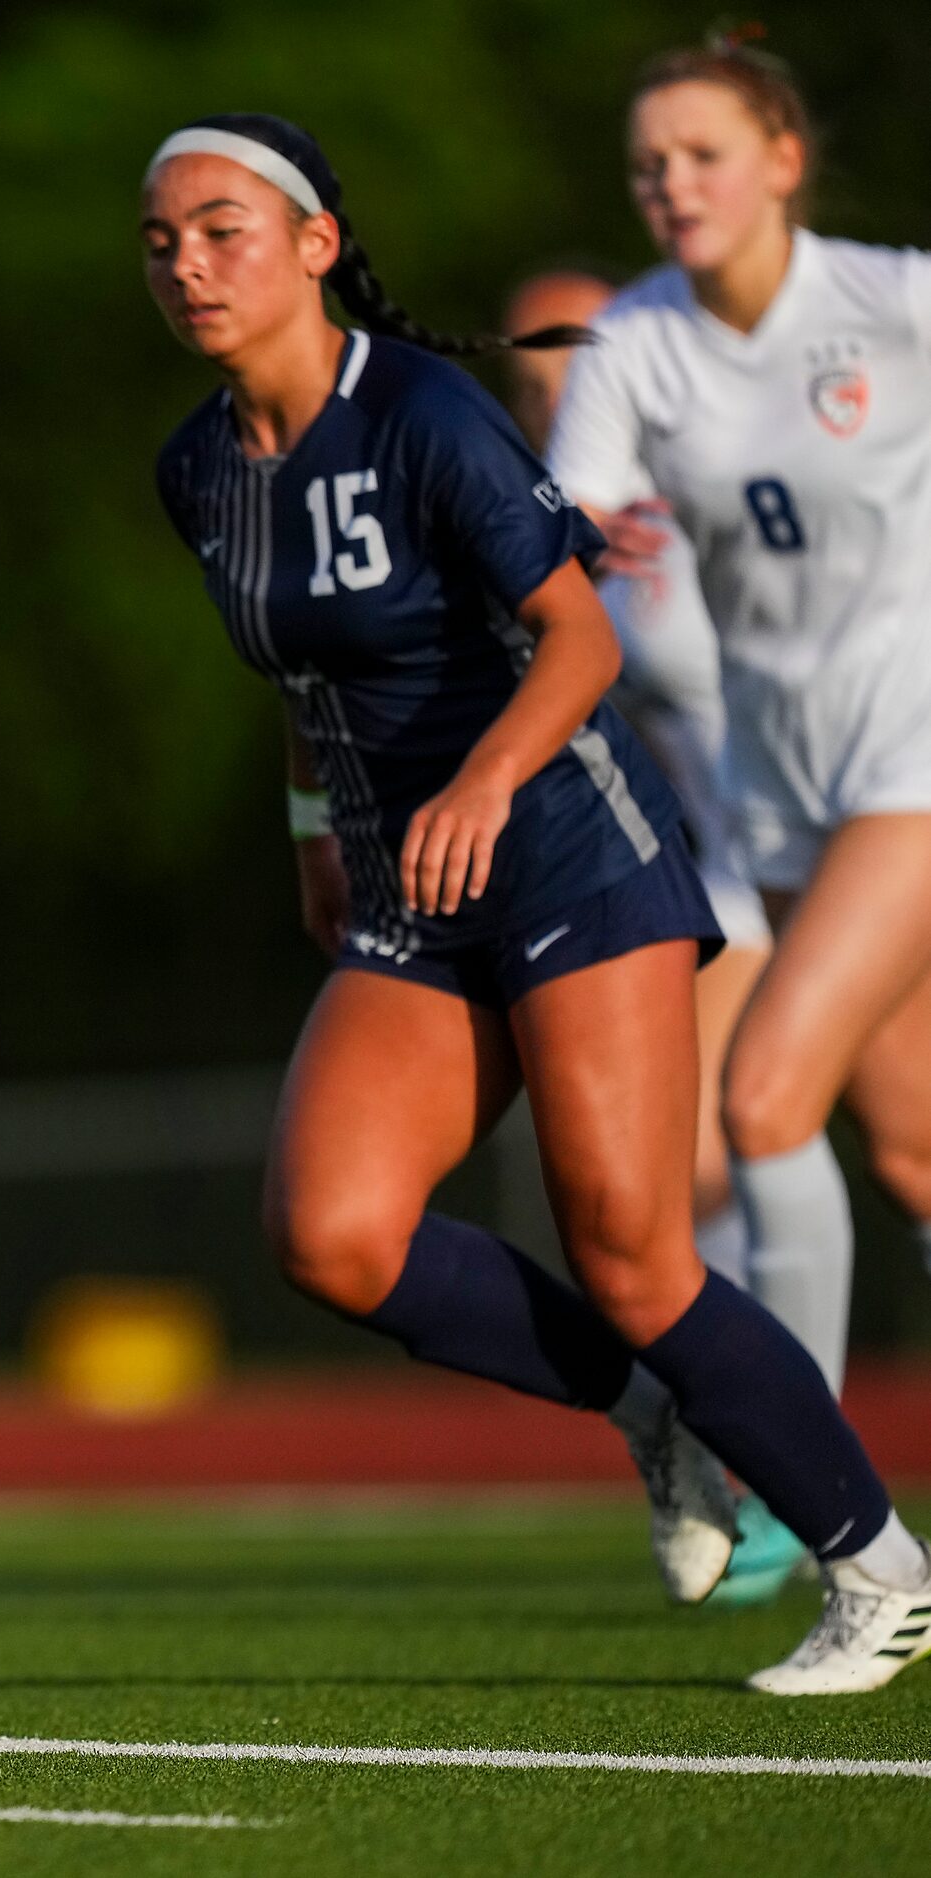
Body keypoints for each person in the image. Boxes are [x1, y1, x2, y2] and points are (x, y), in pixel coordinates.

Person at [142, 111, 931, 1694]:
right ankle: (653, 1410)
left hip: (568, 846)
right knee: (333, 1234)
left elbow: (577, 639)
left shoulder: (424, 411)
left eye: (222, 229)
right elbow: (302, 674)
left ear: (313, 244)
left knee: (635, 1253)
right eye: (160, 241)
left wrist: (486, 782)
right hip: (405, 891)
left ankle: (878, 1572)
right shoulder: (195, 469)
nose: (186, 264)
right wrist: (313, 827)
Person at [548, 32, 931, 1502]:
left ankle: (812, 1506)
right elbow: (559, 528)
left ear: (782, 161)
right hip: (778, 782)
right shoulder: (637, 340)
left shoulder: (889, 301)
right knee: (906, 1147)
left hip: (910, 752)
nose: (671, 184)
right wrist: (561, 536)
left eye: (702, 154)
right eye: (649, 164)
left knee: (763, 1097)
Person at [501, 267, 811, 1605]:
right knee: (705, 1166)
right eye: (531, 374)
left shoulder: (713, 489)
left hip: (830, 842)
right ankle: (769, 1469)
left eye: (580, 359)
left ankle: (769, 1459)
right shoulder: (532, 520)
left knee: (774, 1150)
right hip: (716, 877)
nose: (556, 391)